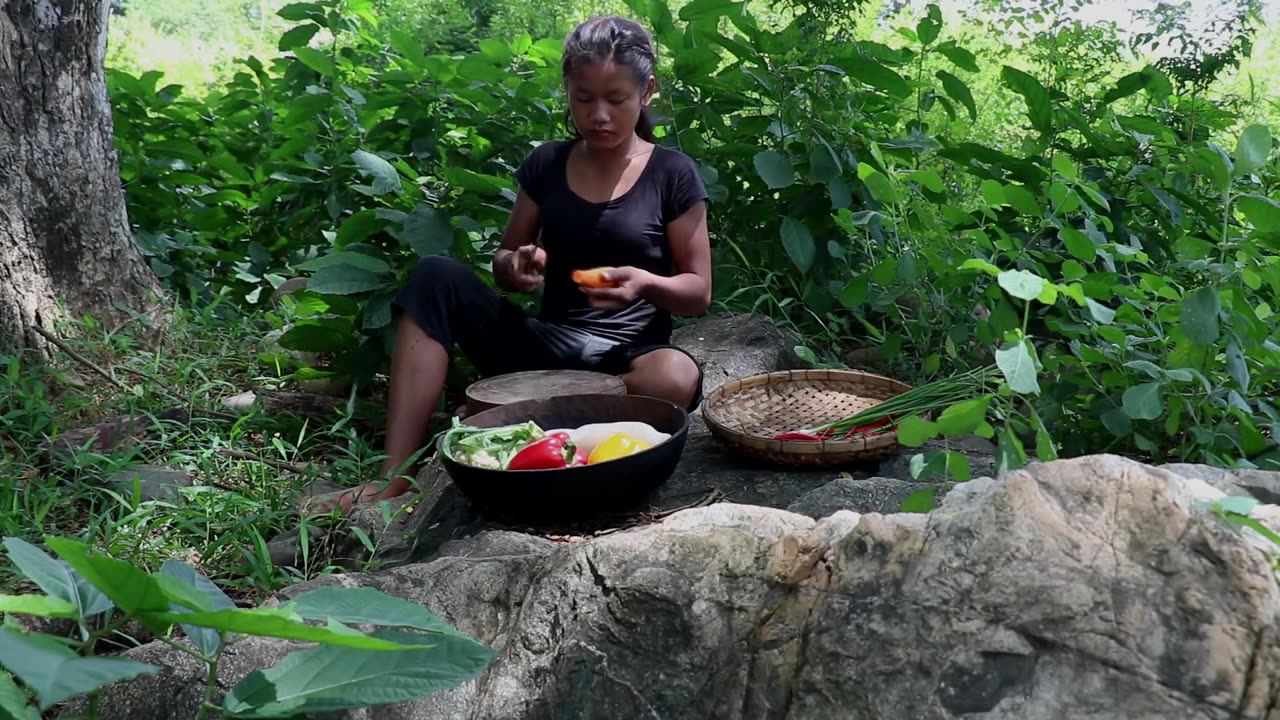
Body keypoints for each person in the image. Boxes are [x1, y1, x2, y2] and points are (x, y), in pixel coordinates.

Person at [308, 15, 713, 514]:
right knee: (436, 275)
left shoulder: (672, 173)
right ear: (567, 91)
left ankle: (521, 421)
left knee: (674, 374)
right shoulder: (546, 164)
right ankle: (396, 479)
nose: (599, 115)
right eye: (583, 99)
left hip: (627, 359)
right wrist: (517, 266)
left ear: (646, 91)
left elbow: (698, 292)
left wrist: (645, 283)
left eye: (616, 99)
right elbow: (505, 261)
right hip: (545, 349)